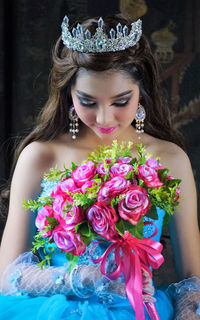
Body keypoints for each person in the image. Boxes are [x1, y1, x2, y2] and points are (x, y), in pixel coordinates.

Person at [0, 13, 200, 320]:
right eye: (88, 101)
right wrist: (86, 276)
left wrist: (189, 314)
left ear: (142, 91)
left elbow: (192, 277)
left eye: (120, 102)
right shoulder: (41, 156)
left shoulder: (170, 159)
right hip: (52, 311)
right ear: (69, 94)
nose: (104, 119)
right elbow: (8, 276)